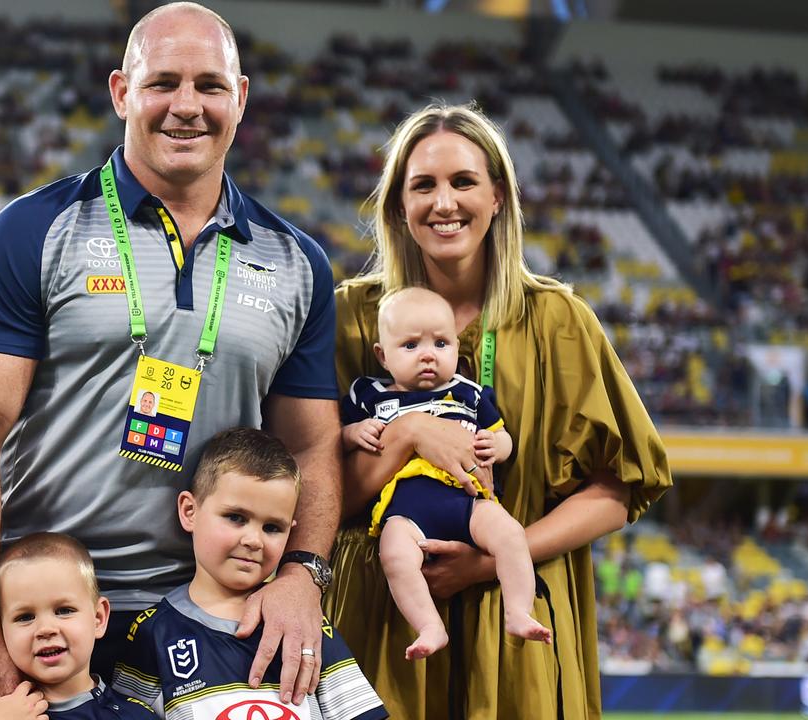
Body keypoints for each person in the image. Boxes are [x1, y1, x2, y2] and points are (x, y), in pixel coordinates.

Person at [0, 4, 342, 719]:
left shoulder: (296, 261)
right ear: (122, 93)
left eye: (211, 85)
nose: (187, 106)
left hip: (210, 619)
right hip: (46, 624)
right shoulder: (33, 231)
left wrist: (304, 574)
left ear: (240, 99)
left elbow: (312, 444)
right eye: (164, 84)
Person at [323, 103, 672, 719]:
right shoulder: (348, 317)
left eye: (464, 181)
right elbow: (315, 498)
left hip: (520, 613)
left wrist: (489, 563)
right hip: (381, 616)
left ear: (500, 197)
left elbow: (616, 491)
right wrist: (407, 436)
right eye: (423, 185)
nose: (444, 202)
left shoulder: (558, 321)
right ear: (399, 205)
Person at [112, 428, 386, 720]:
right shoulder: (153, 631)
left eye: (272, 528)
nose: (254, 540)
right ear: (190, 511)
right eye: (236, 518)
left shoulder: (304, 622)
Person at [340, 287, 550, 660]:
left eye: (440, 343)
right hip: (405, 508)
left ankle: (518, 611)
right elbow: (334, 443)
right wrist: (353, 432)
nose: (427, 355)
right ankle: (428, 625)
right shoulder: (368, 396)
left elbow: (502, 436)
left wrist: (499, 446)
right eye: (410, 346)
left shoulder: (468, 393)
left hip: (466, 499)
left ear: (456, 347)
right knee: (395, 555)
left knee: (510, 534)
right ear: (382, 356)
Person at [0, 532, 155, 719]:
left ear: (98, 618)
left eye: (64, 611)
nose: (45, 629)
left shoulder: (134, 715)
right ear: (0, 629)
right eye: (25, 617)